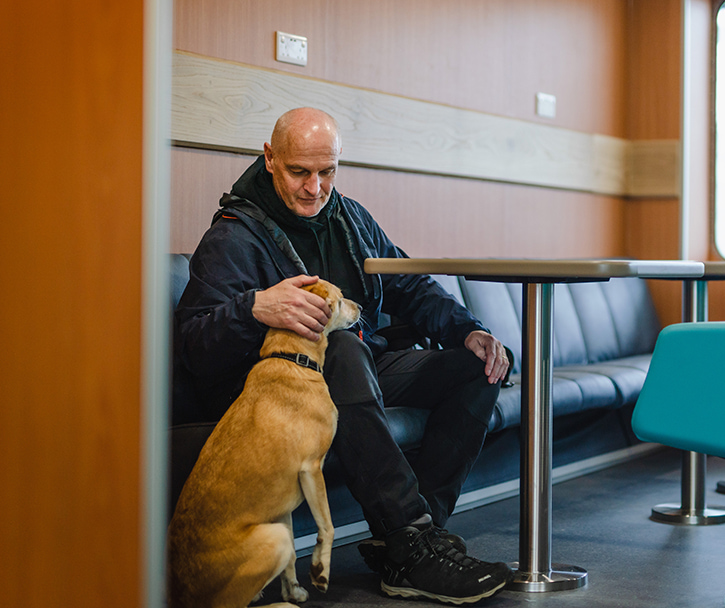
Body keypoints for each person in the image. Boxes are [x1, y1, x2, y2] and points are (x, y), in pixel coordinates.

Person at [173, 107, 513, 604]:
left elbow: (409, 286)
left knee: (479, 368)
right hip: (275, 390)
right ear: (270, 159)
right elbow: (195, 347)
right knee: (343, 350)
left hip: (361, 368)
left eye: (327, 172)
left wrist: (468, 330)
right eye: (299, 172)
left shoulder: (350, 218)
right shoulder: (233, 235)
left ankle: (411, 542)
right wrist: (253, 308)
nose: (315, 188)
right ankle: (409, 538)